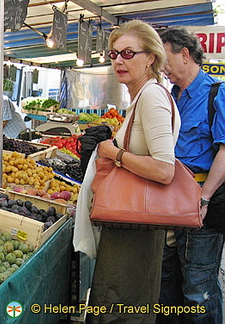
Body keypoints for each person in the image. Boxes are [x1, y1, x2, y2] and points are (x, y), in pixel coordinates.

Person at [85, 20, 181, 323]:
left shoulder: (152, 97)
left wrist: (115, 153)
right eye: (114, 54)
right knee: (118, 302)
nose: (119, 61)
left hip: (136, 223)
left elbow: (165, 170)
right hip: (130, 218)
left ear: (150, 57)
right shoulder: (142, 96)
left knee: (120, 306)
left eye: (128, 53)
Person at [157, 27, 225, 324]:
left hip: (201, 203)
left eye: (164, 59)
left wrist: (204, 197)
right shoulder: (168, 97)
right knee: (167, 278)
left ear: (184, 54)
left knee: (199, 286)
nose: (161, 68)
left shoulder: (216, 93)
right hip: (167, 201)